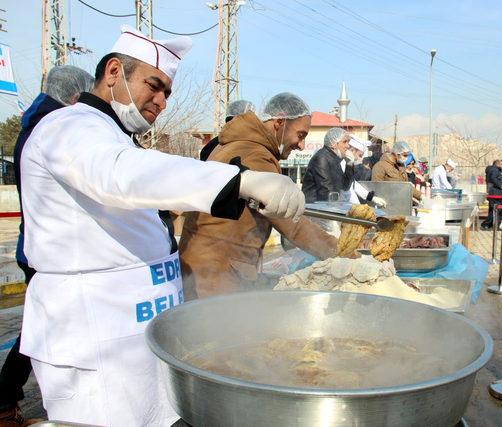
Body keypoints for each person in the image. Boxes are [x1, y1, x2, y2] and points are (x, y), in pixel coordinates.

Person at [17, 26, 305, 426]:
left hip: (135, 329)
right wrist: (239, 181)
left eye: (167, 92)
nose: (161, 101)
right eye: (154, 85)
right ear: (114, 71)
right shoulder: (69, 127)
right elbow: (119, 176)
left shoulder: (114, 136)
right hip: (94, 333)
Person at [0, 66, 94, 427]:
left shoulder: (38, 123)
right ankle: (6, 398)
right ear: (74, 97)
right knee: (43, 327)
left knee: (45, 325)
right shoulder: (52, 130)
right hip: (50, 248)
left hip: (41, 244)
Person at [179, 93, 344, 298]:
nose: (301, 145)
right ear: (279, 123)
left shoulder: (238, 144)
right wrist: (342, 253)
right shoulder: (255, 154)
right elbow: (291, 223)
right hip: (216, 273)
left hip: (204, 266)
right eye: (300, 135)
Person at [302, 127, 352, 203]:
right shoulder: (321, 158)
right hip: (313, 209)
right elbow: (326, 191)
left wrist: (349, 165)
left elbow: (345, 186)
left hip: (325, 206)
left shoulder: (335, 158)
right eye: (344, 142)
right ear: (334, 143)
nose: (348, 146)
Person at [342, 136, 385, 206]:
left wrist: (371, 197)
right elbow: (347, 190)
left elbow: (353, 184)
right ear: (352, 150)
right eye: (360, 155)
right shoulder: (342, 164)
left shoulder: (349, 164)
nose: (360, 159)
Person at [481, 160, 502, 230]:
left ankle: (491, 225)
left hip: (494, 193)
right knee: (495, 210)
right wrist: (500, 185)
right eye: (500, 164)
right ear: (497, 164)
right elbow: (494, 178)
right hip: (495, 193)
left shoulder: (491, 170)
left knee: (493, 210)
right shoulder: (495, 170)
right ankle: (486, 224)